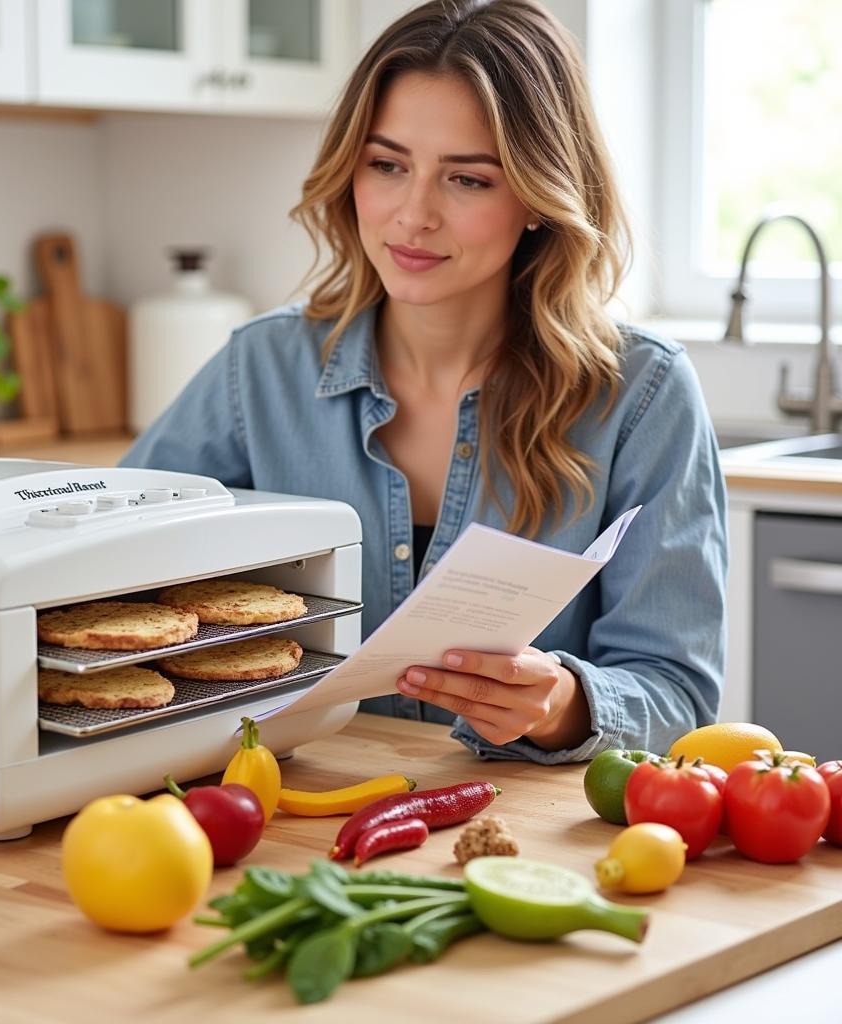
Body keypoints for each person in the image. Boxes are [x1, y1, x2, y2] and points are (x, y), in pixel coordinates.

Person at [121, 0, 727, 763]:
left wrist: (562, 703)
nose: (413, 216)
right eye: (387, 165)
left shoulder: (641, 393)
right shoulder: (260, 369)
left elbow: (677, 692)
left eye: (467, 180)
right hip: (293, 813)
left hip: (523, 835)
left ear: (538, 198)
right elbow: (104, 587)